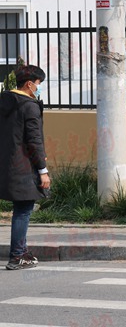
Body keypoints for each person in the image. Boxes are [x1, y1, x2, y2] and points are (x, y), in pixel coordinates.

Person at [0, 65, 51, 270]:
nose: (39, 89)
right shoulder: (28, 106)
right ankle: (17, 255)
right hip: (23, 167)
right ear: (29, 84)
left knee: (20, 209)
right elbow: (34, 141)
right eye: (38, 85)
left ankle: (22, 251)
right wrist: (43, 170)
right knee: (23, 210)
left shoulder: (5, 102)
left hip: (7, 164)